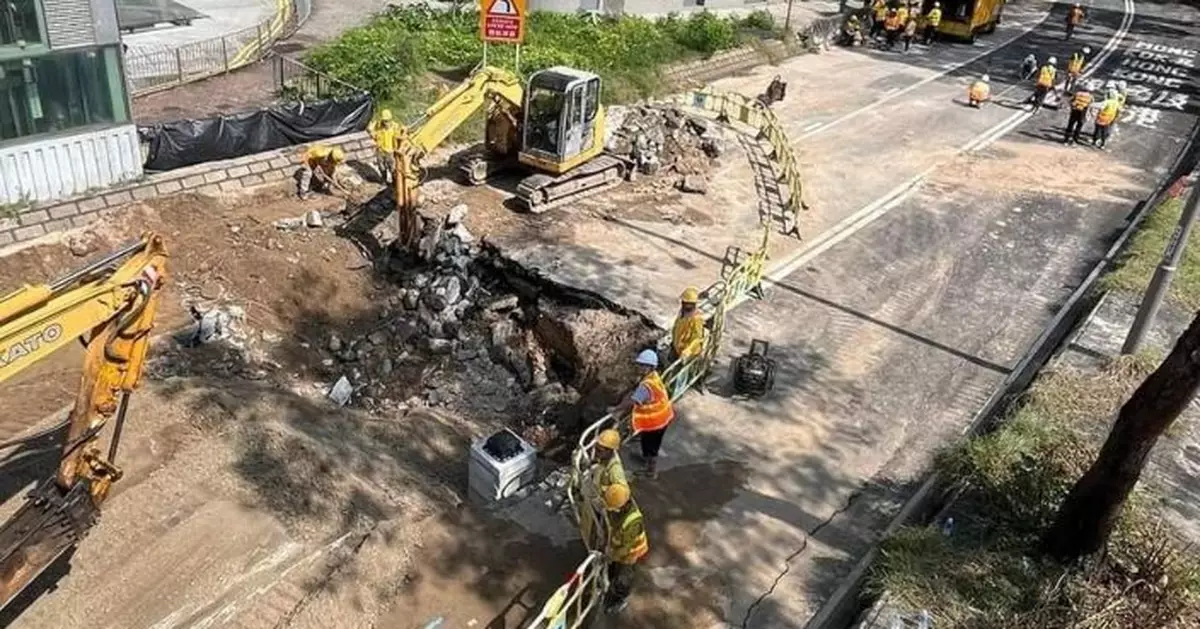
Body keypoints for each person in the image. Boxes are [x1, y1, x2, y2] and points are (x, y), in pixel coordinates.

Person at [610, 349, 676, 479]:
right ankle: (648, 460)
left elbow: (633, 401)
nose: (639, 368)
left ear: (650, 367)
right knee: (652, 444)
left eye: (643, 365)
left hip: (655, 422)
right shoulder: (654, 377)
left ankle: (650, 471)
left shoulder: (646, 386)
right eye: (639, 365)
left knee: (650, 446)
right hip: (664, 417)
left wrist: (615, 409)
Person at [601, 484, 649, 615]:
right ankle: (610, 585)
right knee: (613, 570)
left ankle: (620, 599)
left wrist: (612, 555)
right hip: (618, 548)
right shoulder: (620, 503)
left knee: (623, 577)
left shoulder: (632, 521)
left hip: (630, 552)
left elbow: (627, 547)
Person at [670, 287, 707, 364]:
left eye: (688, 303)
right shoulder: (682, 313)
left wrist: (688, 350)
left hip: (690, 354)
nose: (686, 305)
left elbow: (697, 338)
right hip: (678, 348)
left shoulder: (696, 319)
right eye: (685, 302)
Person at [368, 109, 400, 185]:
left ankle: (394, 182)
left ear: (390, 119)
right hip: (380, 150)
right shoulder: (378, 125)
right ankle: (384, 180)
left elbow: (400, 138)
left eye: (387, 121)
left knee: (392, 168)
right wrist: (371, 133)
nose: (386, 123)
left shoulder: (395, 127)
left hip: (390, 152)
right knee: (381, 167)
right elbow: (370, 130)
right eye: (384, 121)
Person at [593, 429, 628, 497]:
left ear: (610, 451)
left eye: (599, 451)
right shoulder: (604, 458)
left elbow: (623, 492)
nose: (596, 453)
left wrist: (605, 490)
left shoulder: (615, 469)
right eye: (596, 448)